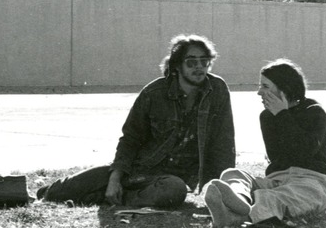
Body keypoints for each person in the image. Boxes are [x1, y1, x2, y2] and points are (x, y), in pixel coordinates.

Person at [37, 34, 235, 208]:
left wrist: (221, 190)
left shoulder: (217, 90)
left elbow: (224, 142)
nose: (199, 67)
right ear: (177, 65)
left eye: (205, 61)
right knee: (55, 193)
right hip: (137, 171)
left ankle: (111, 197)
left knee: (174, 190)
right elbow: (131, 139)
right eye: (192, 62)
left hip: (171, 180)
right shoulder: (154, 93)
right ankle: (105, 191)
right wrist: (115, 178)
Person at [203, 59, 326, 228]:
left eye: (265, 86)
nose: (259, 92)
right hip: (276, 180)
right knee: (232, 174)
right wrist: (276, 116)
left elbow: (303, 153)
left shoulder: (314, 111)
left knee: (272, 197)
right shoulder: (267, 116)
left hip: (309, 183)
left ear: (284, 89)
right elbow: (277, 157)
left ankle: (234, 215)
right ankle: (240, 201)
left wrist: (283, 115)